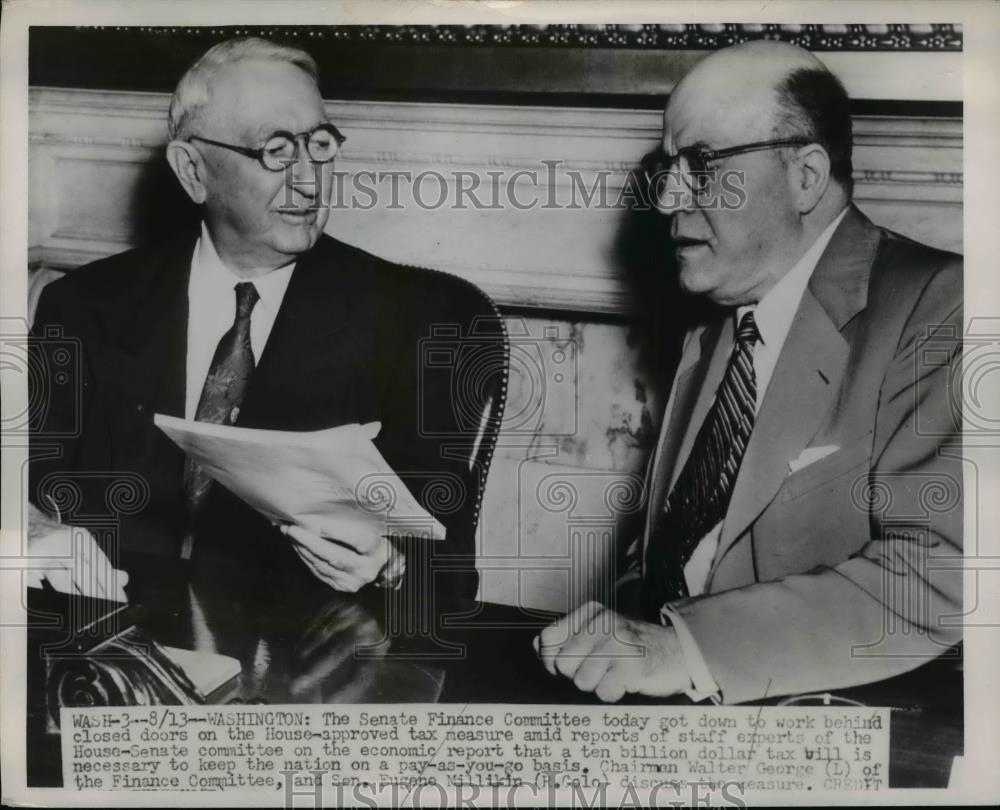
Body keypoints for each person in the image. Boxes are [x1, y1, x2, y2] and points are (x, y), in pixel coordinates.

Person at [536, 40, 963, 704]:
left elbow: (939, 577)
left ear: (806, 176)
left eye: (701, 164)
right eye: (667, 168)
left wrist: (686, 649)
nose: (668, 196)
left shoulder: (943, 306)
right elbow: (669, 561)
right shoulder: (713, 326)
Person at [28, 37, 503, 600]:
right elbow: (23, 481)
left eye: (320, 144)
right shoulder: (84, 306)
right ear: (192, 171)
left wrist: (391, 565)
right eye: (276, 150)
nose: (309, 180)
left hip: (301, 666)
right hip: (111, 647)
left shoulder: (425, 319)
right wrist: (29, 532)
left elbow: (448, 570)